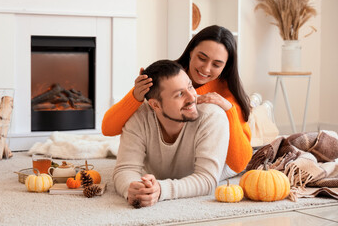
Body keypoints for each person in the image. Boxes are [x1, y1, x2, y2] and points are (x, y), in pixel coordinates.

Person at [103, 25, 252, 176]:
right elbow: (108, 129)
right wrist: (135, 96)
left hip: (209, 162)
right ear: (191, 51)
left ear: (226, 66)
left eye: (216, 64)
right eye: (202, 58)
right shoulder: (167, 76)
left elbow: (239, 164)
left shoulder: (228, 93)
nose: (206, 69)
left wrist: (229, 110)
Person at [113, 60, 229, 207]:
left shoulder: (212, 116)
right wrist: (133, 188)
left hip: (238, 158)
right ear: (155, 105)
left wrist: (161, 190)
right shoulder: (138, 117)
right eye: (180, 94)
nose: (192, 97)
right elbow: (125, 169)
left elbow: (207, 180)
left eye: (190, 86)